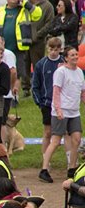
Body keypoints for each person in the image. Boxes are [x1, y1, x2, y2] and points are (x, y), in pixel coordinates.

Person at [0, 0, 41, 98]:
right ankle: (2, 93)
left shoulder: (25, 11)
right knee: (0, 70)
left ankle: (14, 96)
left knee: (17, 72)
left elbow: (38, 14)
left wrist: (25, 3)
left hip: (18, 47)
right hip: (0, 48)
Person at [40, 46, 85, 183]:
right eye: (72, 55)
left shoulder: (79, 72)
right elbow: (56, 92)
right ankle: (44, 169)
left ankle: (72, 168)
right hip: (62, 111)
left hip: (74, 111)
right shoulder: (60, 72)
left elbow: (82, 92)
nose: (75, 57)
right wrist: (58, 109)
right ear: (66, 57)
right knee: (55, 140)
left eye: (76, 54)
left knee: (76, 139)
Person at [24, 0, 53, 97]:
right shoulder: (27, 6)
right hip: (25, 40)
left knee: (38, 65)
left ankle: (40, 87)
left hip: (38, 42)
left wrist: (37, 36)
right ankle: (26, 88)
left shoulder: (47, 6)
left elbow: (49, 24)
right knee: (25, 63)